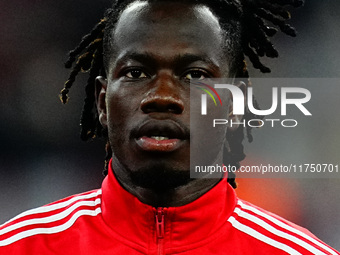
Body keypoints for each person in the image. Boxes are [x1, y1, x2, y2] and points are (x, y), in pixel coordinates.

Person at [0, 0, 339, 254]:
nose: (162, 97)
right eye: (135, 72)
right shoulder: (19, 247)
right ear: (102, 102)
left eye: (195, 75)